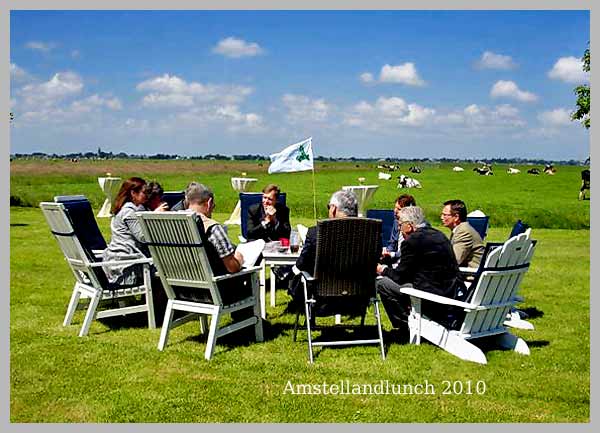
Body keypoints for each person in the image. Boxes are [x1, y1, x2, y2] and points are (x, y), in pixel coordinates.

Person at [375, 206, 466, 332]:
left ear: (410, 226)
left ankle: (404, 324)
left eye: (400, 225)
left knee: (382, 283)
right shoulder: (439, 235)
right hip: (450, 292)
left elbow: (400, 277)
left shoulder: (411, 242)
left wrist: (382, 269)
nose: (400, 229)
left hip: (429, 296)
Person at [183, 182, 254, 312]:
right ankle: (248, 321)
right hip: (212, 293)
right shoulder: (211, 227)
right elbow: (232, 267)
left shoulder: (173, 224)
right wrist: (238, 259)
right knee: (249, 275)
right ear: (209, 203)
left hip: (181, 291)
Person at [288, 189, 358, 308]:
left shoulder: (316, 233)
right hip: (358, 298)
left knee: (296, 279)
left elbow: (301, 264)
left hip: (322, 298)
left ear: (333, 208)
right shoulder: (369, 232)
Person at [102, 177, 167, 285]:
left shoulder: (124, 209)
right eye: (144, 192)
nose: (147, 195)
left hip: (118, 260)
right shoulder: (129, 212)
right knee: (168, 268)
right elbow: (143, 237)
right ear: (133, 193)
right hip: (126, 265)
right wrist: (156, 215)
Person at [440, 199, 485, 268]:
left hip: (470, 275)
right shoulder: (460, 229)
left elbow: (454, 261)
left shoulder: (464, 232)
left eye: (445, 215)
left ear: (456, 217)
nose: (441, 217)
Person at [380, 194, 416, 267]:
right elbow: (392, 242)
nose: (395, 211)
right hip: (394, 261)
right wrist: (387, 252)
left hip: (407, 263)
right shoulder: (396, 221)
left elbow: (410, 250)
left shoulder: (417, 227)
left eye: (399, 209)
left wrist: (393, 254)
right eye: (395, 208)